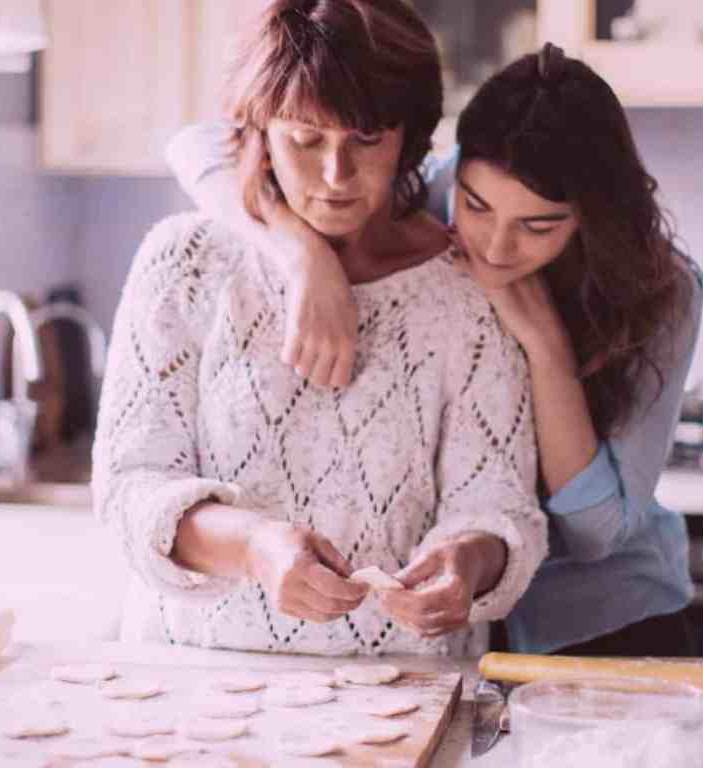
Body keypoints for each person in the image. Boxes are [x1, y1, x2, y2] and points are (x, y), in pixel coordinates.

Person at [166, 42, 703, 655]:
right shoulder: (423, 195)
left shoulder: (662, 292)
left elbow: (595, 533)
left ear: (590, 218)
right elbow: (202, 146)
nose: (497, 246)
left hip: (602, 621)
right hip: (452, 630)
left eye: (540, 226)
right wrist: (301, 256)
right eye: (476, 207)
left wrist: (545, 346)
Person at [92, 0, 547, 657]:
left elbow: (503, 510)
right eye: (306, 139)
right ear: (261, 133)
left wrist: (466, 564)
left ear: (410, 137)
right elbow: (132, 488)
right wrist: (253, 546)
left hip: (405, 696)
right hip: (193, 687)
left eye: (366, 140)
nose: (337, 176)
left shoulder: (465, 293)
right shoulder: (185, 264)